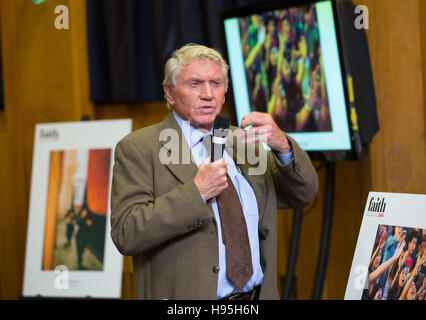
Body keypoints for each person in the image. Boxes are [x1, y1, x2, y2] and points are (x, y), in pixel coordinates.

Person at [110, 43, 318, 300]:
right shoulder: (140, 148)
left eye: (216, 83)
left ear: (225, 91)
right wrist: (196, 193)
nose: (208, 94)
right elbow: (126, 233)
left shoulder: (243, 142)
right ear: (170, 92)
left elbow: (303, 193)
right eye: (195, 84)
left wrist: (282, 145)